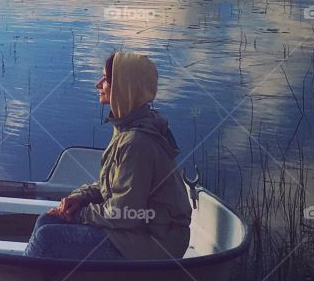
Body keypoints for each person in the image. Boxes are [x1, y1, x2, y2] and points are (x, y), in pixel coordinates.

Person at [24, 51, 192, 261]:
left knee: (48, 239)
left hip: (156, 242)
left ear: (123, 87)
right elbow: (113, 186)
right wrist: (80, 197)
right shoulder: (129, 126)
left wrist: (80, 215)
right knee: (45, 221)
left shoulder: (137, 142)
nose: (98, 84)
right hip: (139, 229)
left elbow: (123, 213)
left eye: (105, 79)